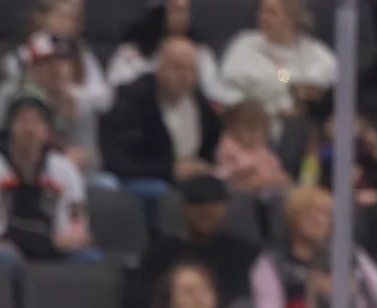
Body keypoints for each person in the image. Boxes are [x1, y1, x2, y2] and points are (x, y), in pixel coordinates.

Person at [252, 185, 377, 308]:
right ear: (293, 218)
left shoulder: (352, 254)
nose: (318, 220)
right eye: (309, 213)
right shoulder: (272, 263)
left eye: (325, 214)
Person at [0, 92, 93, 264]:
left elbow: (75, 232)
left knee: (87, 257)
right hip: (3, 253)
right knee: (4, 257)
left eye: (38, 122)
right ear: (10, 127)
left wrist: (56, 242)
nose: (30, 129)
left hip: (50, 249)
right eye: (23, 121)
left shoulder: (63, 168)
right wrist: (48, 243)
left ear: (48, 131)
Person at [125, 172, 258, 308]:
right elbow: (140, 302)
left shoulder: (244, 254)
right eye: (199, 205)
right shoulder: (160, 254)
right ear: (185, 208)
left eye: (214, 205)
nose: (207, 212)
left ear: (225, 208)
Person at [101, 35, 222, 187]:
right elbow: (118, 160)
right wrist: (169, 170)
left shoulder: (199, 102)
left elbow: (213, 148)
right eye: (177, 68)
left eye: (191, 69)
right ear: (160, 66)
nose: (184, 76)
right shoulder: (131, 100)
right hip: (148, 186)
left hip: (194, 184)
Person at [215, 0, 333, 135]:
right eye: (262, 11)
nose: (263, 17)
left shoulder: (316, 53)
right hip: (255, 129)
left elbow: (334, 89)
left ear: (291, 19)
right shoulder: (244, 45)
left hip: (309, 130)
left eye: (272, 13)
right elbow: (226, 91)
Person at [104, 0, 231, 107]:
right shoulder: (131, 53)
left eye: (185, 11)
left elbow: (215, 92)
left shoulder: (199, 52)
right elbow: (114, 91)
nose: (182, 17)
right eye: (176, 11)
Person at [15, 32, 99, 175]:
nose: (57, 69)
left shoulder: (82, 104)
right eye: (47, 63)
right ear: (32, 70)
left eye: (63, 61)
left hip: (77, 175)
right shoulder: (21, 104)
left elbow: (89, 156)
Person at [214, 98, 288, 193]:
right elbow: (222, 172)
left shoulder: (262, 149)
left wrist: (278, 177)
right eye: (248, 129)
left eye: (258, 130)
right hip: (240, 191)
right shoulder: (230, 145)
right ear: (234, 127)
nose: (253, 135)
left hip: (269, 189)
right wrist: (240, 171)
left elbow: (276, 170)